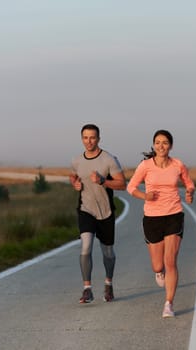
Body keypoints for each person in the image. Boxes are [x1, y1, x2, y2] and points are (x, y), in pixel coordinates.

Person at [126, 129, 195, 318]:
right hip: (152, 217)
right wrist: (145, 196)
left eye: (165, 142)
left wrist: (190, 193)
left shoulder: (178, 164)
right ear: (154, 145)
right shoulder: (146, 166)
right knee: (158, 265)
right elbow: (130, 187)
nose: (161, 146)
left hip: (174, 214)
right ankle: (159, 272)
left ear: (170, 145)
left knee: (170, 261)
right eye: (157, 142)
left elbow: (189, 183)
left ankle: (168, 304)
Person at [70, 124, 126, 304]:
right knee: (85, 246)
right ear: (81, 139)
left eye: (92, 137)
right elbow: (73, 175)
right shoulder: (77, 160)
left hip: (106, 212)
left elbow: (122, 184)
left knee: (107, 252)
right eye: (85, 138)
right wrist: (75, 183)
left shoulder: (109, 159)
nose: (89, 141)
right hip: (86, 209)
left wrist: (103, 181)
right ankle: (87, 289)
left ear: (99, 139)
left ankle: (108, 283)